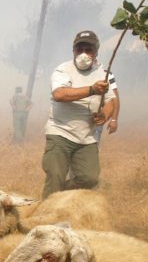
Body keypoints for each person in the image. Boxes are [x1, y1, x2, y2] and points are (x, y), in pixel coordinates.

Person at [41, 30, 115, 198]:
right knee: (56, 176)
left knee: (89, 179)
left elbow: (111, 100)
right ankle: (44, 215)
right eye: (79, 49)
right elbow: (59, 94)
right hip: (60, 132)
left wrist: (104, 115)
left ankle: (58, 197)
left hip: (87, 137)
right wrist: (92, 89)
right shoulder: (63, 70)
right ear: (73, 51)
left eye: (88, 49)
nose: (83, 53)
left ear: (96, 52)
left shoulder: (104, 74)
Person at [93, 73, 120, 144]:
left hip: (96, 121)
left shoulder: (107, 74)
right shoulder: (71, 71)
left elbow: (114, 98)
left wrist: (114, 120)